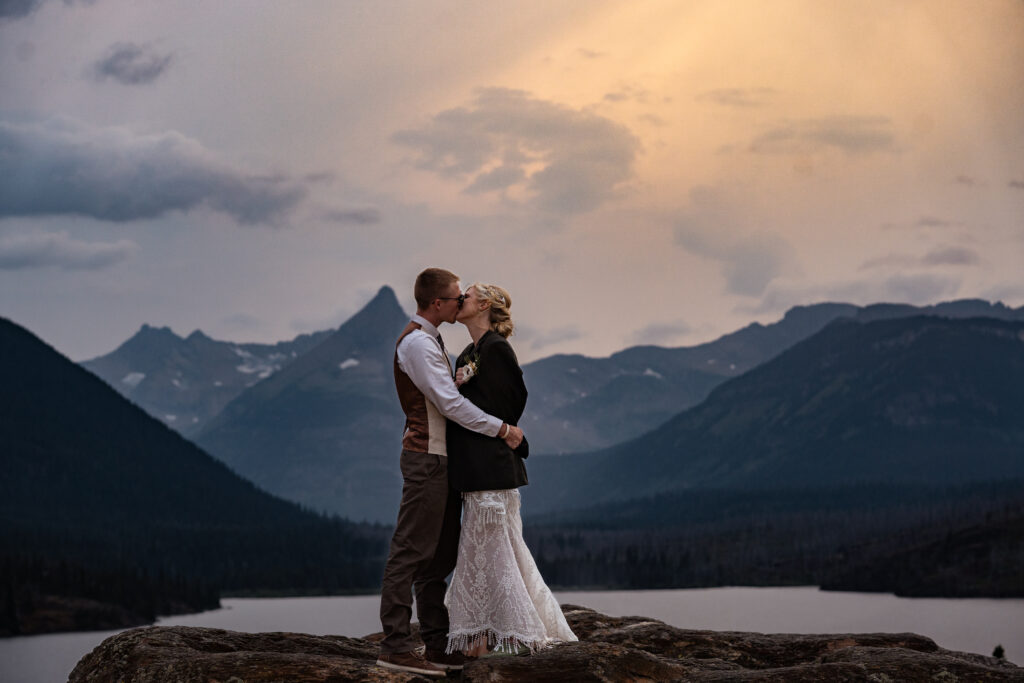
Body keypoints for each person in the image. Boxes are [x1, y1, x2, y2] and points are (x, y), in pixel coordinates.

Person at [376, 268, 525, 678]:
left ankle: (438, 646)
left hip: (440, 461)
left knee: (437, 556)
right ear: (438, 304)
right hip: (426, 459)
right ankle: (395, 645)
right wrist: (503, 429)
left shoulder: (433, 341)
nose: (461, 302)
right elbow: (449, 405)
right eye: (457, 297)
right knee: (410, 551)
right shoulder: (419, 344)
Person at [444, 282, 577, 657]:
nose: (460, 299)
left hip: (491, 467)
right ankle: (487, 633)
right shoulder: (469, 352)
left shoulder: (496, 349)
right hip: (474, 469)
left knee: (493, 552)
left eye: (466, 295)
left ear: (483, 304)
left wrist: (502, 429)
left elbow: (512, 402)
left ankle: (505, 635)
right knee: (486, 552)